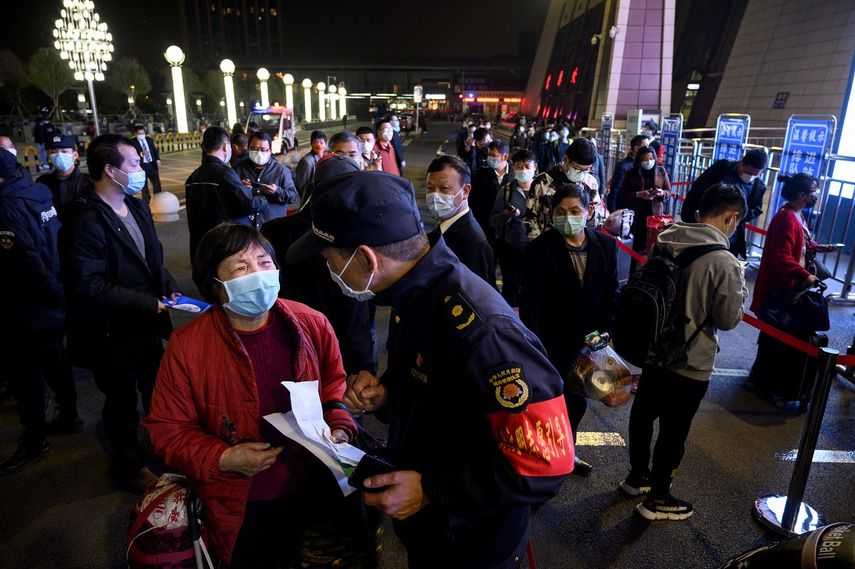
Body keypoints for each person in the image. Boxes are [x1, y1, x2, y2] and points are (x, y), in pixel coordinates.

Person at [286, 171, 574, 569]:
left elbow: (547, 462)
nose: (329, 271)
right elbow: (439, 389)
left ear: (367, 258)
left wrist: (432, 491)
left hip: (472, 543)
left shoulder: (486, 335)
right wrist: (388, 393)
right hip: (433, 526)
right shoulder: (416, 293)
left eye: (330, 260)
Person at [143, 223, 359, 567]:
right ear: (216, 285)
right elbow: (168, 430)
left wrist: (340, 425)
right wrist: (224, 458)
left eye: (264, 261)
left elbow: (334, 387)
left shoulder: (311, 323)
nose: (258, 273)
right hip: (240, 502)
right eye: (241, 267)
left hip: (314, 488)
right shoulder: (188, 348)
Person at [622, 184, 748, 520]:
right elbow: (727, 319)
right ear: (731, 218)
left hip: (653, 350)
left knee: (644, 414)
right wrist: (741, 284)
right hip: (691, 360)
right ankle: (658, 498)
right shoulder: (725, 262)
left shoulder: (666, 238)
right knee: (674, 430)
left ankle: (636, 478)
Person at [61, 134, 179, 489]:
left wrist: (167, 286)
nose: (141, 169)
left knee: (158, 389)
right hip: (112, 333)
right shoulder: (85, 221)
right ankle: (127, 465)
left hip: (146, 324)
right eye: (134, 164)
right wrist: (147, 302)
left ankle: (164, 447)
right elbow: (88, 286)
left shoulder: (137, 205)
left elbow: (152, 257)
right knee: (122, 402)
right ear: (111, 170)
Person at [520, 184, 618, 477]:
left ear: (589, 211)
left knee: (576, 404)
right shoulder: (539, 249)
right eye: (560, 212)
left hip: (588, 345)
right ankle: (545, 458)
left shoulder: (605, 245)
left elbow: (612, 292)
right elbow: (531, 303)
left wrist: (606, 331)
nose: (568, 217)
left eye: (575, 211)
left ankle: (567, 453)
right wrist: (533, 347)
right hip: (550, 344)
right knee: (548, 404)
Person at [0, 147, 81, 473]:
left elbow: (25, 263)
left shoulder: (5, 208)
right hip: (54, 296)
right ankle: (69, 413)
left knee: (26, 372)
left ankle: (34, 438)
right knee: (54, 358)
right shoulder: (37, 191)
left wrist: (53, 293)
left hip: (28, 304)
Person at [262, 155, 378, 377]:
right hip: (338, 353)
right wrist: (364, 370)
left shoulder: (272, 231)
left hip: (284, 340)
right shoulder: (356, 238)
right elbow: (356, 316)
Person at [747, 174, 826, 400]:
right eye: (813, 192)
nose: (815, 196)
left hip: (787, 287)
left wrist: (817, 248)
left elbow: (800, 243)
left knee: (774, 337)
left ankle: (759, 379)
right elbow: (782, 257)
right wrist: (805, 276)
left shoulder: (795, 214)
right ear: (802, 195)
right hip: (780, 290)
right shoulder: (787, 219)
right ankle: (763, 384)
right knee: (776, 338)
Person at [185, 126, 268, 270]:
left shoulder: (193, 177)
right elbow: (249, 204)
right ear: (225, 146)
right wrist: (263, 198)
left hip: (201, 245)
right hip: (226, 243)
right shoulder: (224, 174)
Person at [681, 148, 768, 260]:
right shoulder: (722, 168)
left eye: (755, 174)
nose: (750, 176)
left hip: (730, 238)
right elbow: (698, 188)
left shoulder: (759, 187)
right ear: (742, 162)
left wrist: (737, 216)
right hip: (703, 229)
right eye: (748, 172)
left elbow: (755, 209)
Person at [425, 155, 494, 282]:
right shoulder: (443, 225)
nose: (435, 195)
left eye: (444, 188)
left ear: (466, 191)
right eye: (430, 188)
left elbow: (472, 296)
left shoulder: (474, 243)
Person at [490, 149, 538, 306]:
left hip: (537, 249)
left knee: (533, 290)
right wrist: (506, 215)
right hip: (512, 249)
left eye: (527, 166)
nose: (523, 170)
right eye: (519, 166)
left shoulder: (543, 191)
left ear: (535, 167)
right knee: (510, 288)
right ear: (514, 167)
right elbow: (493, 220)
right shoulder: (506, 191)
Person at [526, 137, 599, 242]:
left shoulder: (590, 183)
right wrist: (540, 247)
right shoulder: (542, 182)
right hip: (547, 245)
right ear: (565, 159)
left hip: (577, 245)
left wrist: (591, 217)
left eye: (586, 170)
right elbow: (530, 219)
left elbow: (595, 222)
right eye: (577, 169)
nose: (582, 173)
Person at [616, 146, 672, 261]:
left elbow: (669, 191)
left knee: (653, 247)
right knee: (635, 247)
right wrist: (639, 194)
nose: (648, 162)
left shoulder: (661, 171)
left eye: (651, 158)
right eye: (645, 159)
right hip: (637, 215)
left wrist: (661, 193)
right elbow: (622, 194)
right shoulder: (631, 173)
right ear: (639, 160)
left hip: (655, 216)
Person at [234, 131, 298, 224]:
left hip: (272, 227)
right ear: (248, 149)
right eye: (254, 149)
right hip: (246, 228)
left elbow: (293, 197)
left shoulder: (281, 171)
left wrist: (277, 191)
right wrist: (240, 188)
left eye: (263, 150)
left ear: (270, 151)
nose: (259, 153)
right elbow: (227, 196)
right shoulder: (238, 169)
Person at [37, 134, 90, 221]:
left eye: (64, 152)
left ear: (75, 155)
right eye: (53, 152)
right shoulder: (43, 183)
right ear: (49, 157)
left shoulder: (87, 183)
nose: (59, 155)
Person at [470, 140, 512, 244]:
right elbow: (473, 202)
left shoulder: (514, 176)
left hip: (508, 231)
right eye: (488, 154)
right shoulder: (480, 175)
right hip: (485, 228)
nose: (490, 158)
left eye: (494, 155)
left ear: (505, 157)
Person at [608, 134, 649, 212]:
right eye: (646, 147)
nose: (648, 149)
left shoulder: (647, 165)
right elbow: (615, 191)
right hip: (627, 209)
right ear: (636, 148)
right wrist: (613, 211)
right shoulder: (624, 166)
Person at [129, 125, 162, 202]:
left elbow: (154, 150)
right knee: (144, 187)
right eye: (140, 134)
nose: (142, 135)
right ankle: (147, 202)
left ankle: (158, 200)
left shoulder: (149, 140)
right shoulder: (132, 142)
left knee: (157, 184)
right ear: (135, 134)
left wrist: (157, 160)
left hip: (151, 164)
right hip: (141, 166)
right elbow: (131, 154)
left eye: (143, 133)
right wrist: (140, 153)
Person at [295, 130, 328, 196]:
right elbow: (301, 185)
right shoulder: (306, 161)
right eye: (315, 142)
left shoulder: (325, 158)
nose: (319, 145)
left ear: (326, 144)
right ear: (311, 144)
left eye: (321, 143)